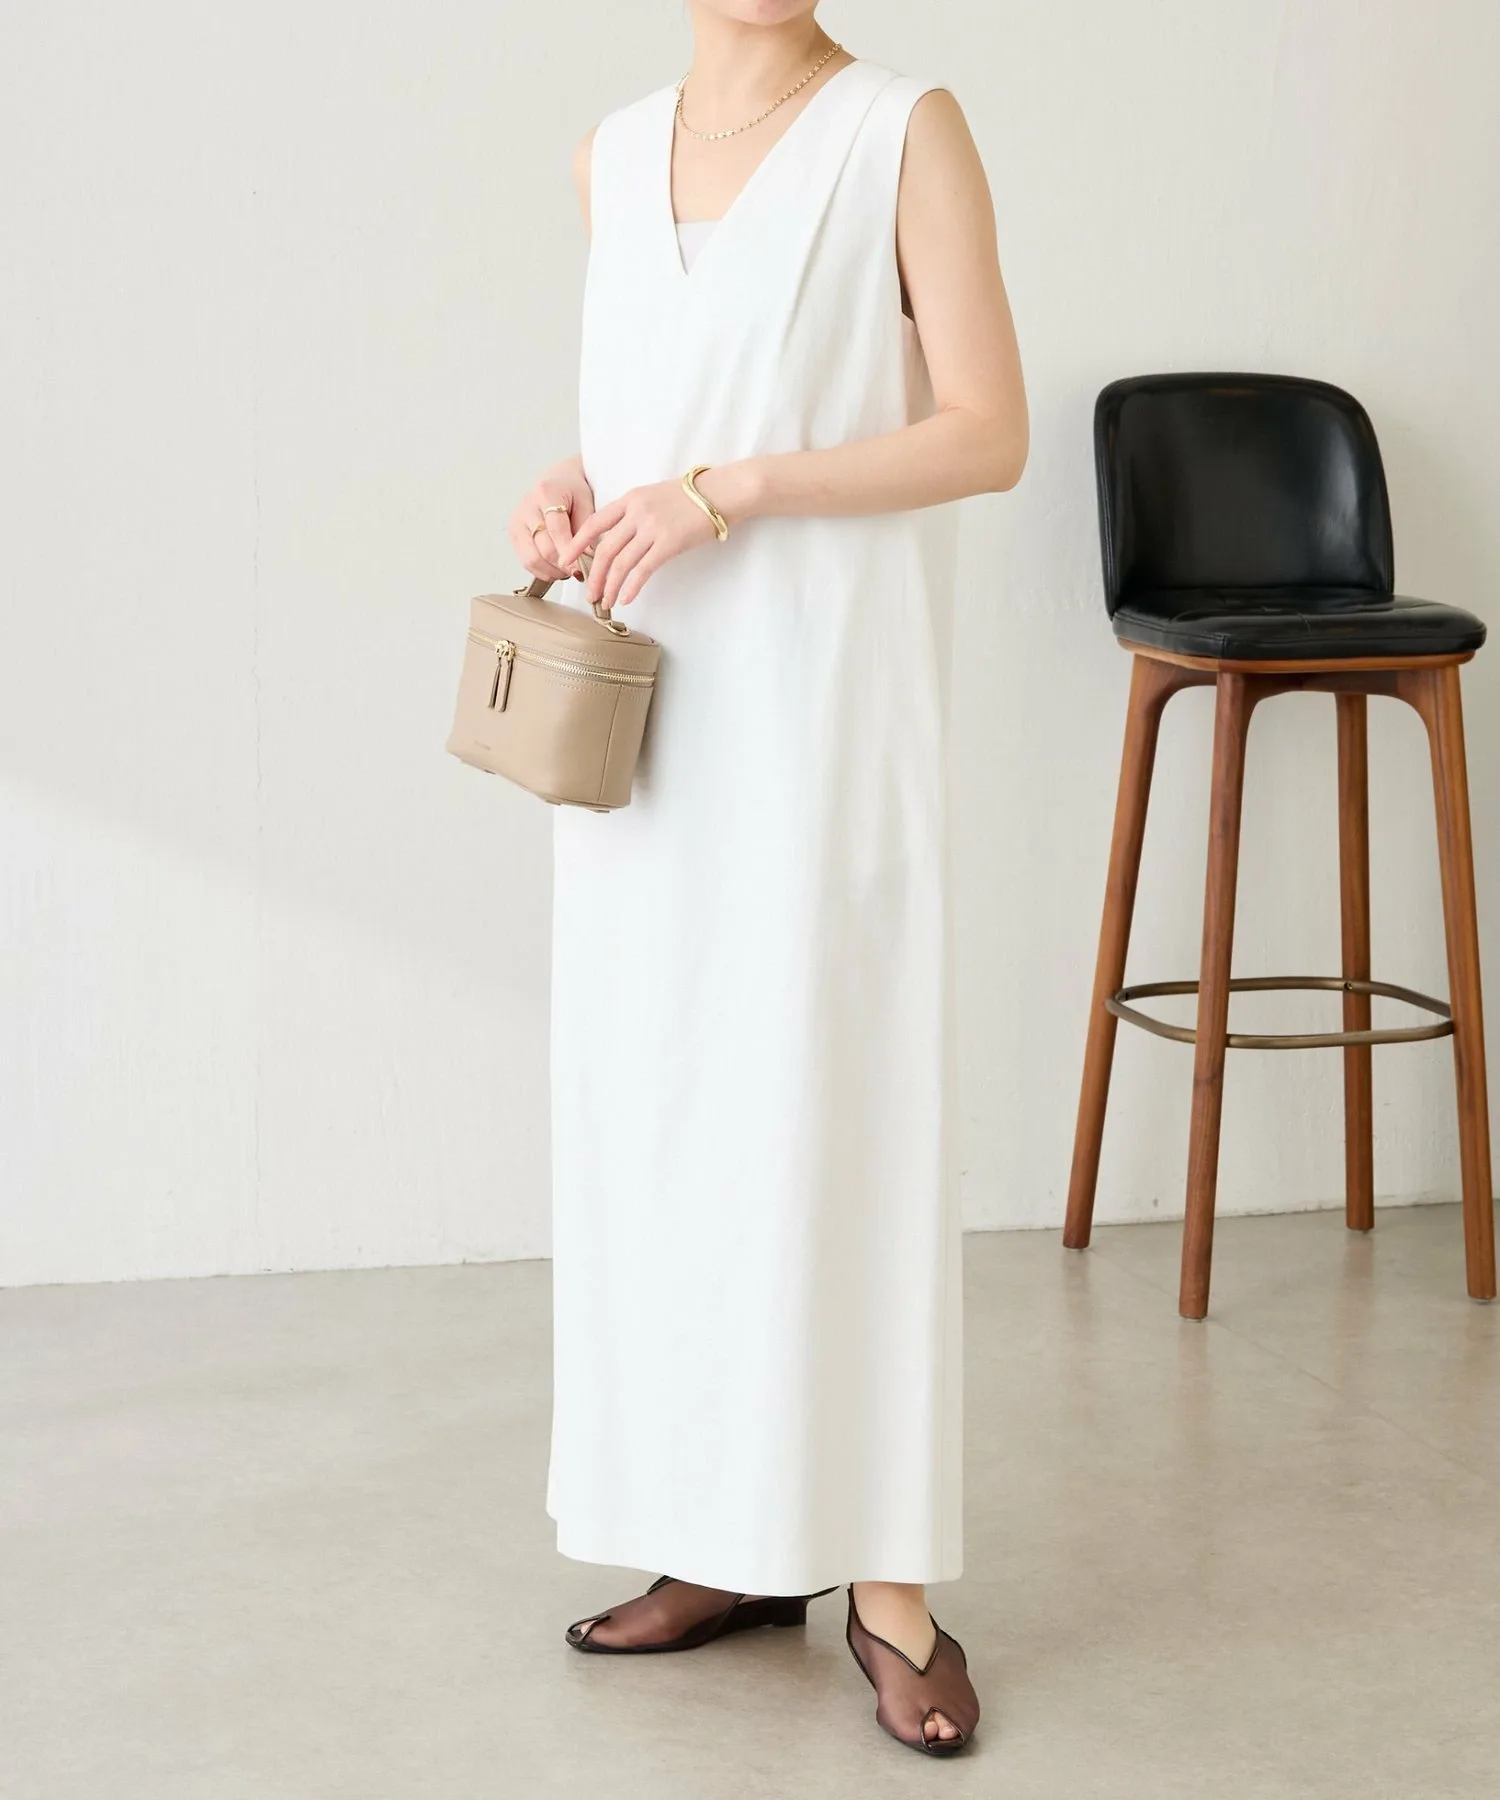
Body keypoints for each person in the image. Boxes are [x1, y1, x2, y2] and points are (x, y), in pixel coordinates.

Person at [508, 0, 1026, 1758]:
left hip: (822, 709)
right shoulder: (609, 155)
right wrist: (574, 488)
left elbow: (988, 431)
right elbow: (652, 409)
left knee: (837, 1108)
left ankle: (890, 1585)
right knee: (667, 1122)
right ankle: (719, 1541)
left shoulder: (901, 129)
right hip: (651, 721)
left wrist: (733, 491)